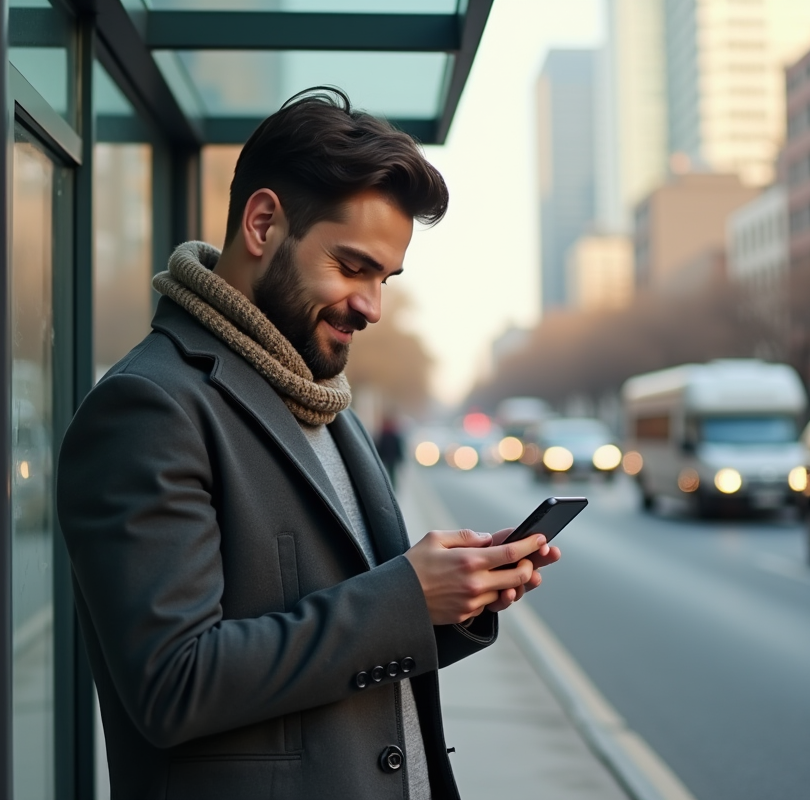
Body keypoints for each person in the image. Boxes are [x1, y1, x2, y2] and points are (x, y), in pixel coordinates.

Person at [56, 88, 560, 800]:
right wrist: (406, 598)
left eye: (385, 278)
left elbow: (347, 633)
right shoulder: (149, 408)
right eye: (354, 267)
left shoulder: (323, 401)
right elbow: (174, 685)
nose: (372, 306)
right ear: (262, 223)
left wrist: (458, 598)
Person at [376, 416, 406, 489]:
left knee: (390, 474)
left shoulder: (390, 435)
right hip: (388, 458)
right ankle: (390, 487)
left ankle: (391, 488)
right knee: (387, 474)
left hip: (389, 458)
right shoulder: (385, 435)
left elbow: (398, 447)